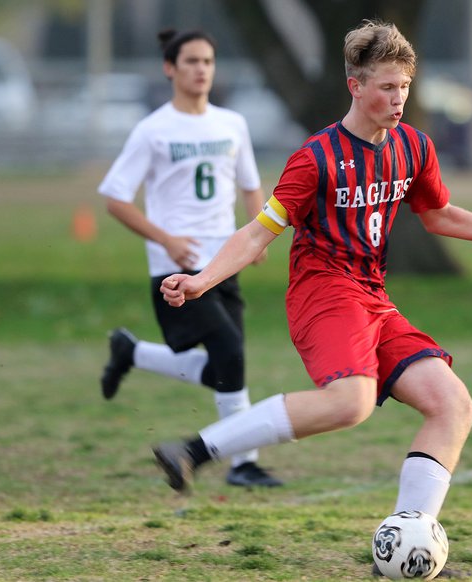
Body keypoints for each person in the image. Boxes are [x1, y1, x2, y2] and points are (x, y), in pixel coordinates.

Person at [153, 18, 472, 575]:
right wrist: (201, 281)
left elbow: (438, 214)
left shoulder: (412, 145)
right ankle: (194, 450)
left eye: (406, 87)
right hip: (323, 292)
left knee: (453, 405)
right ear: (356, 86)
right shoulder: (314, 158)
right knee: (352, 402)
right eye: (387, 87)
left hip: (372, 296)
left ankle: (406, 537)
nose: (399, 99)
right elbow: (256, 233)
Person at [98, 28, 282, 488]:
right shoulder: (153, 129)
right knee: (231, 355)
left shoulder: (232, 124)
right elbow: (115, 198)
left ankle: (132, 351)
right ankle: (241, 464)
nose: (202, 70)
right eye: (192, 62)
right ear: (170, 69)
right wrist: (166, 239)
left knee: (228, 366)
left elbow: (249, 185)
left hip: (224, 263)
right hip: (176, 271)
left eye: (208, 62)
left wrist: (257, 234)